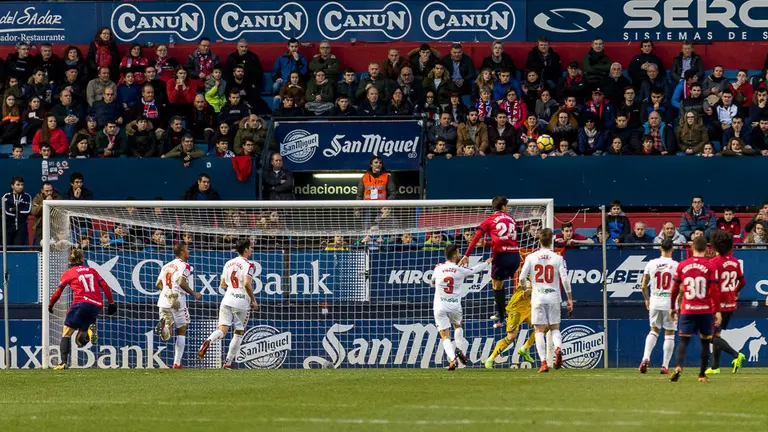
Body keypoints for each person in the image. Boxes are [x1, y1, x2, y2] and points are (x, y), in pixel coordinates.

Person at [48, 248, 117, 370]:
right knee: (80, 340)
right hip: (95, 305)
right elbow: (105, 285)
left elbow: (58, 292)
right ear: (82, 259)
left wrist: (51, 305)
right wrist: (111, 303)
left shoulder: (69, 273)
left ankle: (63, 362)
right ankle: (90, 331)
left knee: (66, 333)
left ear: (69, 259)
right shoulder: (92, 271)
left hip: (80, 304)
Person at [197, 239, 259, 368]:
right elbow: (247, 283)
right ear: (246, 249)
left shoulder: (228, 263)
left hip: (227, 299)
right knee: (238, 332)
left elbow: (222, 284)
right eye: (251, 248)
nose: (252, 250)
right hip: (241, 302)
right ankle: (228, 363)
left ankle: (209, 340)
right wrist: (253, 300)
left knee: (222, 330)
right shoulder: (249, 265)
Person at [459, 196, 519, 329]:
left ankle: (503, 318)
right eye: (506, 206)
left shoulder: (489, 220)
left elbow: (475, 238)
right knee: (498, 283)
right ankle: (501, 312)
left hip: (501, 256)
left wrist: (466, 255)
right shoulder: (512, 220)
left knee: (496, 285)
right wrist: (488, 243)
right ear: (503, 207)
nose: (507, 208)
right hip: (515, 255)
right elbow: (507, 239)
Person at [518, 228, 573, 373]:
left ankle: (543, 362)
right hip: (554, 296)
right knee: (555, 327)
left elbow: (522, 278)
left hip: (538, 296)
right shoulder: (557, 258)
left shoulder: (531, 257)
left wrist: (526, 289)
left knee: (539, 330)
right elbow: (565, 279)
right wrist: (569, 298)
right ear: (552, 241)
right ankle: (558, 348)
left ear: (539, 240)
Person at [669, 236, 721, 383]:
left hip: (687, 309)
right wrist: (717, 311)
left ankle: (678, 366)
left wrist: (672, 307)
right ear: (707, 249)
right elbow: (714, 291)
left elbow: (674, 289)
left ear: (692, 248)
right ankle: (702, 374)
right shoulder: (711, 266)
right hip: (704, 310)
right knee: (705, 342)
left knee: (683, 341)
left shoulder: (682, 265)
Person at [432, 245, 491, 370]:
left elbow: (432, 282)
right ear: (454, 255)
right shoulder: (459, 269)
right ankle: (459, 349)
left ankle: (452, 359)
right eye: (458, 253)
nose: (460, 255)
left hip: (439, 305)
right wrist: (486, 262)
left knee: (445, 336)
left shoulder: (438, 268)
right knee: (457, 326)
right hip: (455, 305)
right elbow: (474, 270)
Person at [705, 230, 747, 375]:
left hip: (717, 304)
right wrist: (735, 292)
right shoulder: (734, 262)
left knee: (708, 336)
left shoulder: (713, 263)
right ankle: (715, 367)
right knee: (717, 334)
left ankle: (736, 355)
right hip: (730, 304)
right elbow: (743, 282)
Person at [154, 242, 202, 369]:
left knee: (168, 332)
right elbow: (181, 282)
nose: (189, 252)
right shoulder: (185, 266)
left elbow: (158, 283)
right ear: (181, 251)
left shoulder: (166, 266)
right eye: (187, 249)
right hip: (177, 300)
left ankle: (164, 327)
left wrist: (167, 292)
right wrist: (194, 294)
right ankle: (177, 363)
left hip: (164, 299)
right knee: (181, 330)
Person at [638, 239, 678, 375]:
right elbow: (681, 287)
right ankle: (664, 366)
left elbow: (643, 285)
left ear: (660, 249)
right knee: (670, 333)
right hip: (670, 303)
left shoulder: (651, 263)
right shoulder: (676, 266)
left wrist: (647, 300)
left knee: (654, 331)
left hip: (655, 300)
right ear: (672, 249)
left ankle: (645, 357)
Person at [2, 176, 32, 247]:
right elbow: (6, 211)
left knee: (18, 249)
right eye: (18, 185)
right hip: (8, 227)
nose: (20, 187)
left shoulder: (27, 197)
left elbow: (27, 210)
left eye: (22, 185)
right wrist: (15, 209)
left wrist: (14, 210)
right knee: (7, 249)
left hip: (21, 228)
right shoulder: (6, 196)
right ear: (12, 186)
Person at [30, 181, 60, 246]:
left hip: (54, 226)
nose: (49, 193)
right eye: (47, 191)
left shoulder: (57, 197)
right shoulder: (37, 198)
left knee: (53, 247)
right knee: (39, 247)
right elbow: (34, 211)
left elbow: (60, 212)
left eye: (51, 190)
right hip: (40, 225)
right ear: (42, 190)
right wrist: (45, 203)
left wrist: (52, 204)